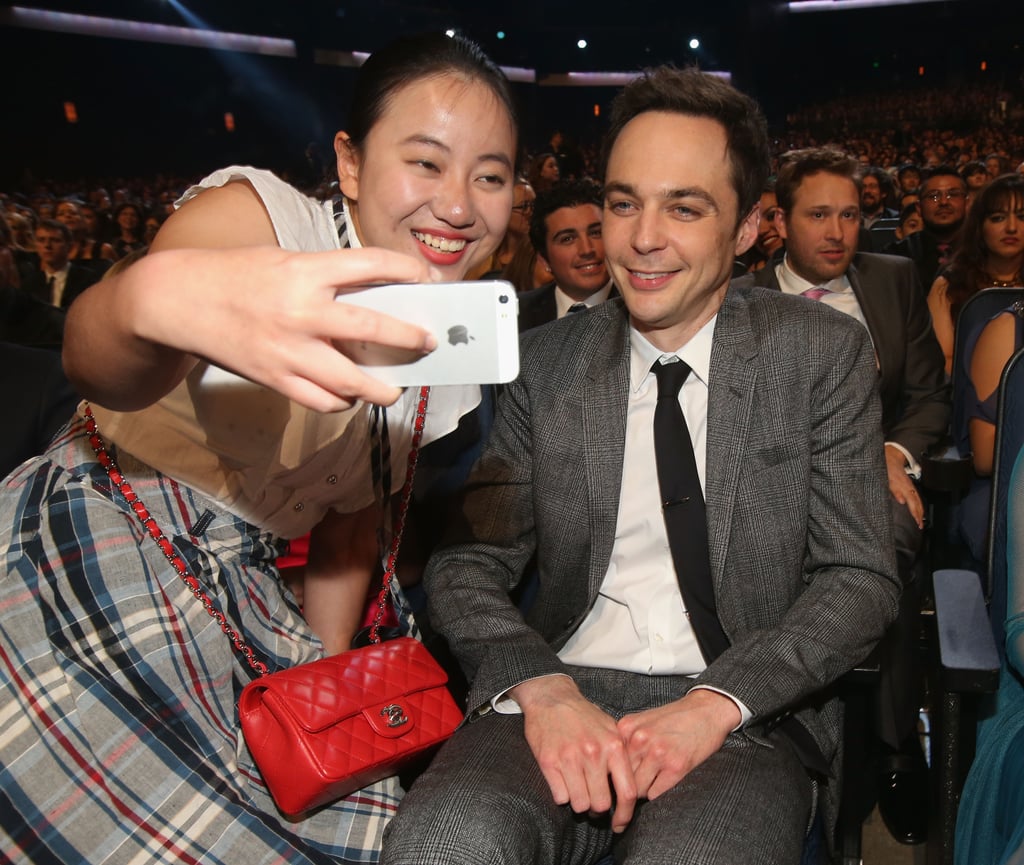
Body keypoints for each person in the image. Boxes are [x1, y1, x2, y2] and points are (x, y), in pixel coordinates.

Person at [0, 31, 517, 864]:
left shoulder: (446, 353)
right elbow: (95, 360)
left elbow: (351, 532)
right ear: (350, 164)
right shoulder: (263, 220)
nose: (459, 205)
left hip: (239, 602)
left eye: (490, 176)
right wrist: (151, 295)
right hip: (105, 540)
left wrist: (329, 687)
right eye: (426, 163)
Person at [381, 66, 900, 865]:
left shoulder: (818, 355)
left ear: (747, 228)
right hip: (558, 690)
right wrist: (540, 685)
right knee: (445, 842)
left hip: (742, 712)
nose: (640, 238)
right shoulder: (542, 362)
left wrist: (717, 702)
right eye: (623, 203)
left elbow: (859, 577)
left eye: (683, 208)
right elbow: (467, 563)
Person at [740, 145, 949, 845]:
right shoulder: (744, 299)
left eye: (852, 215)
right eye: (818, 214)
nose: (836, 231)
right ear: (780, 220)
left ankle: (889, 751)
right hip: (780, 486)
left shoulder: (892, 279)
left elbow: (925, 396)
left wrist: (890, 452)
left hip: (882, 483)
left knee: (883, 541)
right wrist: (859, 462)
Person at [927, 173, 1024, 375]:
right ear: (980, 226)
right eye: (998, 218)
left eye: (1022, 217)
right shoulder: (949, 286)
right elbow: (940, 364)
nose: (1011, 228)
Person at [517, 179, 614, 330]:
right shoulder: (517, 316)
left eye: (596, 233)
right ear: (544, 260)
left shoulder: (641, 308)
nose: (587, 250)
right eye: (567, 239)